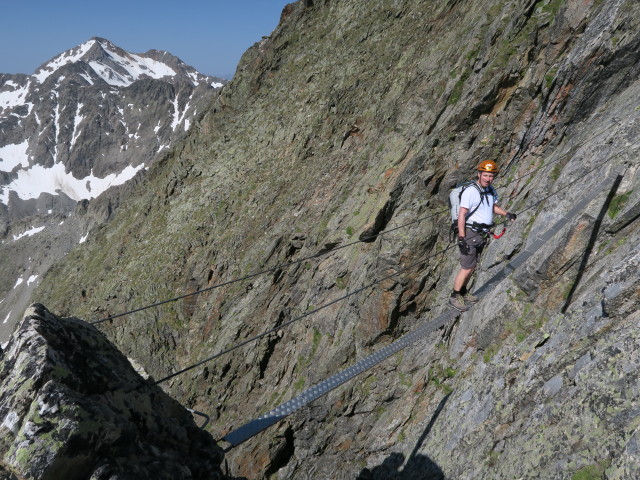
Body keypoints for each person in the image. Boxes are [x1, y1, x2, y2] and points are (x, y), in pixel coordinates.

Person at [449, 160, 516, 312]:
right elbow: (462, 214)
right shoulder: (471, 191)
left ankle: (463, 293)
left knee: (472, 266)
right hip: (470, 233)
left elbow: (492, 207)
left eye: (491, 176)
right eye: (485, 175)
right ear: (479, 174)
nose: (488, 178)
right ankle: (454, 296)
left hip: (481, 234)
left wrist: (506, 214)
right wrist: (461, 237)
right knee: (466, 268)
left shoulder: (490, 190)